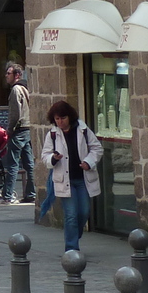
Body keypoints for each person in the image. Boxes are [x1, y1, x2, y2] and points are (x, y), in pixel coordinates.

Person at [40, 100, 104, 252]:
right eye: (57, 119)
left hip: (82, 178)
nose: (60, 122)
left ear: (69, 117)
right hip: (65, 180)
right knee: (70, 215)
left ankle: (75, 236)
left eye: (63, 118)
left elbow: (97, 148)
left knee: (83, 212)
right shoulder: (53, 135)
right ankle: (71, 249)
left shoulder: (83, 130)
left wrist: (88, 162)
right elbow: (45, 156)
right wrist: (54, 158)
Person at [2, 63, 37, 204]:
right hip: (27, 128)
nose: (6, 75)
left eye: (8, 73)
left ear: (17, 75)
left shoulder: (16, 89)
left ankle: (8, 195)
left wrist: (10, 129)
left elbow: (15, 113)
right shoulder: (26, 87)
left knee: (12, 163)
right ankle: (31, 193)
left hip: (19, 129)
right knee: (29, 164)